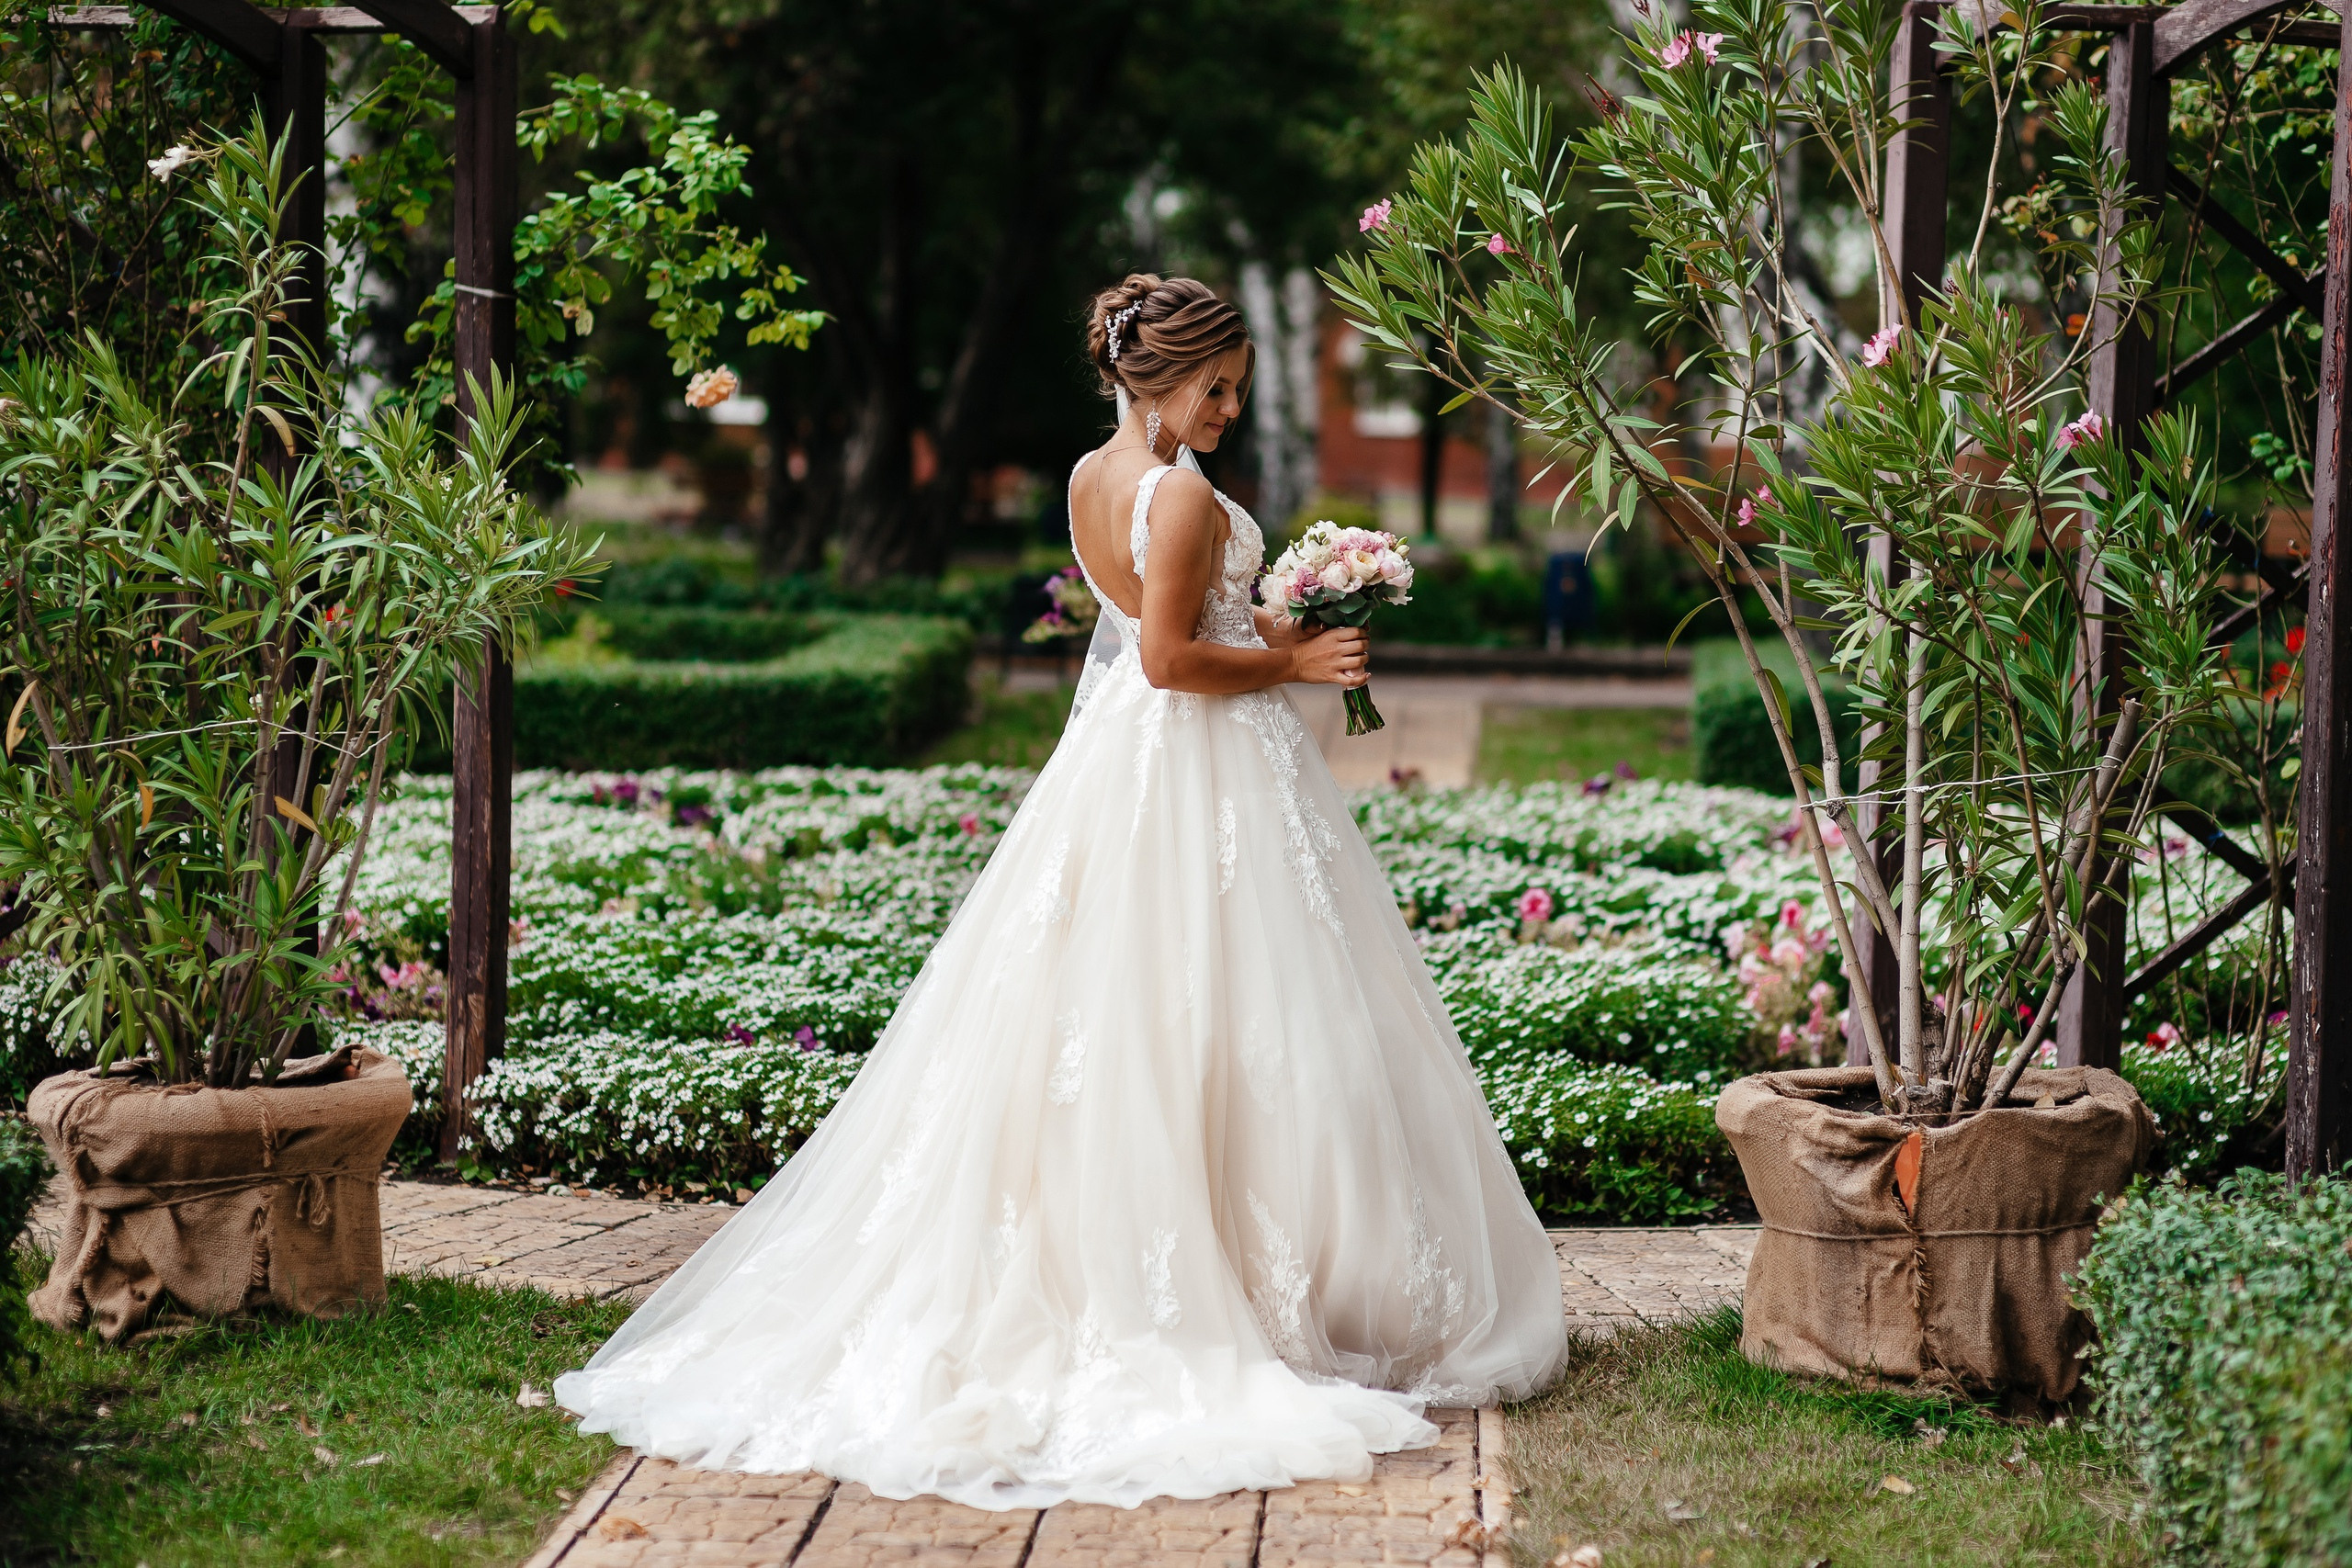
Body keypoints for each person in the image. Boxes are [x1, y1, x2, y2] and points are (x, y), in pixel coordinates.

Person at [556, 274, 1568, 1510]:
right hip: (1197, 764)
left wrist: (1281, 623)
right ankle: (1250, 1292)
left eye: (1238, 388)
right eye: (1216, 388)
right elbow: (1172, 657)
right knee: (1242, 1015)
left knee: (1140, 1018)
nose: (1230, 409)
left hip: (1128, 765)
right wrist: (1296, 663)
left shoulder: (1094, 477)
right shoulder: (1178, 492)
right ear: (1159, 380)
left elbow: (1158, 622)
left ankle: (1230, 1264)